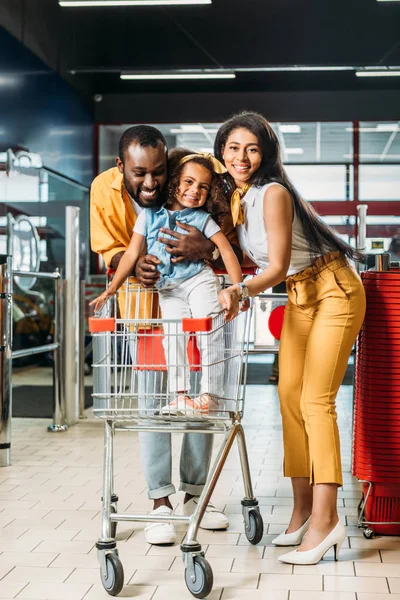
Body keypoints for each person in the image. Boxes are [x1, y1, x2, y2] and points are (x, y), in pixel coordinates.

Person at [215, 111, 366, 565]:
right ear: (222, 150)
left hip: (335, 290)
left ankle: (326, 521)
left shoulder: (273, 192)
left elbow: (275, 267)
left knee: (316, 401)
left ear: (267, 154)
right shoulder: (238, 197)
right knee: (288, 395)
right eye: (233, 147)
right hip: (302, 295)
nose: (242, 157)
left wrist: (241, 289)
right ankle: (302, 511)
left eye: (252, 148)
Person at [90, 126, 233, 545]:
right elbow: (107, 247)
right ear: (122, 167)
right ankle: (160, 502)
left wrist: (202, 248)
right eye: (139, 175)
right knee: (153, 401)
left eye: (158, 172)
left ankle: (194, 496)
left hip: (193, 307)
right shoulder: (104, 189)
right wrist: (128, 263)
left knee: (200, 399)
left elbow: (227, 232)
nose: (150, 183)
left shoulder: (188, 177)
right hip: (144, 312)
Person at [91, 148, 245, 416]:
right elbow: (130, 254)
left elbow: (228, 252)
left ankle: (211, 395)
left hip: (199, 280)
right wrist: (111, 290)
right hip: (169, 288)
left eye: (204, 187)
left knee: (209, 331)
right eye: (188, 182)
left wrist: (238, 289)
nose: (195, 191)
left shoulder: (201, 219)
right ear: (174, 181)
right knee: (173, 337)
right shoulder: (149, 216)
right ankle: (180, 396)